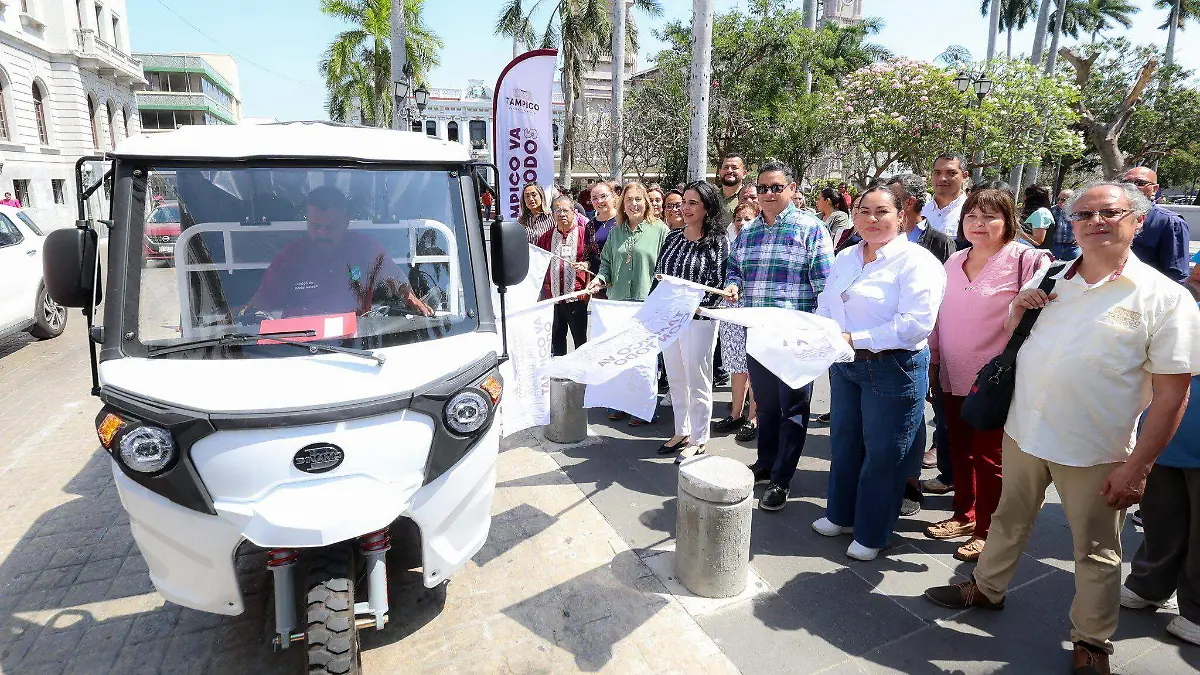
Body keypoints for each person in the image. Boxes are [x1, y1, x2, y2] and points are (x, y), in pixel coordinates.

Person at [923, 181, 1200, 675]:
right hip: (1024, 430)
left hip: (1096, 449)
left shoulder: (1166, 299)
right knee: (1008, 518)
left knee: (1096, 550)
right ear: (1071, 224)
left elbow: (1172, 395)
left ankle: (1092, 639)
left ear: (1137, 220)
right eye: (1084, 215)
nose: (1096, 222)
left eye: (1109, 213)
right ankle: (986, 588)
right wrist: (1015, 313)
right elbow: (1018, 342)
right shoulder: (1053, 277)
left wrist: (1139, 466)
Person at [811, 184, 946, 561]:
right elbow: (827, 301)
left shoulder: (917, 262)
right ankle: (840, 514)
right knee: (844, 441)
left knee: (885, 453)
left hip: (893, 367)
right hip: (845, 363)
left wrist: (857, 336)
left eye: (882, 211)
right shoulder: (847, 257)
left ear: (902, 215)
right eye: (864, 210)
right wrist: (823, 331)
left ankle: (872, 531)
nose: (872, 219)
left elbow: (916, 324)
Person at [925, 188, 1049, 562]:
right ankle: (964, 515)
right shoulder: (953, 261)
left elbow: (1051, 279)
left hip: (996, 380)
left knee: (989, 456)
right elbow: (937, 316)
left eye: (989, 217)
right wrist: (933, 357)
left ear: (1008, 221)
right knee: (958, 450)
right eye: (972, 217)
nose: (979, 225)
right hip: (951, 372)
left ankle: (987, 529)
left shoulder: (1024, 259)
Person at [723, 160, 833, 511]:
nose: (768, 194)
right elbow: (735, 269)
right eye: (763, 188)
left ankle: (783, 479)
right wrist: (732, 285)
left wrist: (814, 334)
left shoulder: (810, 229)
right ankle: (765, 464)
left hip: (794, 338)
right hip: (759, 335)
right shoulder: (749, 230)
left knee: (794, 410)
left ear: (792, 188)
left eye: (776, 187)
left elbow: (825, 287)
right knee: (767, 406)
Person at [1119, 283, 1200, 647]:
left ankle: (1196, 611)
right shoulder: (1180, 302)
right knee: (1159, 516)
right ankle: (1149, 584)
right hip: (1165, 433)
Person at [245, 186, 433, 319]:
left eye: (330, 227)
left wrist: (412, 300)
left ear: (346, 222)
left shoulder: (367, 249)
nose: (322, 233)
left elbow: (396, 281)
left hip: (356, 340)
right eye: (315, 226)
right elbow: (262, 303)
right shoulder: (290, 256)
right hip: (297, 345)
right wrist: (240, 319)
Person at [886, 173, 957, 516]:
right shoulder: (870, 239)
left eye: (890, 200)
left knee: (914, 417)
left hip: (921, 344)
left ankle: (910, 484)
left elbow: (944, 297)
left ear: (907, 204)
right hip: (876, 345)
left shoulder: (938, 241)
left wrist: (937, 347)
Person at [654, 181, 729, 463]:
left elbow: (719, 284)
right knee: (675, 377)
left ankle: (699, 438)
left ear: (707, 208)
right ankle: (681, 430)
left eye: (692, 203)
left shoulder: (718, 242)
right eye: (683, 202)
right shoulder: (672, 238)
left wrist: (691, 306)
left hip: (699, 321)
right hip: (670, 320)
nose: (684, 208)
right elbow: (659, 277)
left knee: (698, 378)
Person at [586, 182, 671, 424]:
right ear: (622, 204)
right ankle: (620, 403)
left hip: (647, 304)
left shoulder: (660, 231)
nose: (634, 204)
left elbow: (665, 268)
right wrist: (600, 279)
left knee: (643, 359)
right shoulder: (616, 232)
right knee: (620, 356)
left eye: (638, 199)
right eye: (629, 199)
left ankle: (643, 407)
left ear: (646, 202)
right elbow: (606, 264)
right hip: (619, 304)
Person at [712, 202, 759, 442]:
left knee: (754, 366)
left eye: (747, 218)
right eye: (738, 218)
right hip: (732, 307)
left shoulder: (761, 242)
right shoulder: (731, 241)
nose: (742, 223)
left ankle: (753, 417)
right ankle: (736, 413)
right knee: (736, 364)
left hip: (754, 309)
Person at [538, 195, 594, 356]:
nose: (561, 213)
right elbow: (540, 266)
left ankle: (581, 375)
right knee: (557, 339)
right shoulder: (546, 237)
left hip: (577, 298)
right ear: (553, 213)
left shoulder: (584, 234)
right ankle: (559, 375)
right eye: (557, 210)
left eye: (565, 210)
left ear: (574, 212)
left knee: (580, 341)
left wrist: (587, 292)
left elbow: (592, 261)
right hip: (554, 299)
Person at [1124, 166, 1190, 281]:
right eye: (1126, 182)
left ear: (1155, 189)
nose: (1131, 187)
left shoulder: (1171, 222)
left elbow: (1177, 274)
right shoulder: (1110, 216)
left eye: (1139, 183)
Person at [922, 153, 969, 239]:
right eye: (937, 173)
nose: (942, 178)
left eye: (951, 173)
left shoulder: (972, 212)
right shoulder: (921, 211)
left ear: (964, 176)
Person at [586, 181, 620, 283]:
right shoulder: (590, 225)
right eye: (595, 198)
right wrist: (585, 264)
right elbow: (589, 256)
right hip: (598, 282)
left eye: (603, 196)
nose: (599, 201)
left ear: (613, 197)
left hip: (621, 280)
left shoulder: (624, 220)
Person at [1048, 188, 1080, 261]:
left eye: (1063, 200)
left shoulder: (1079, 212)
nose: (1059, 201)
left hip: (1072, 248)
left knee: (1072, 269)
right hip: (1054, 247)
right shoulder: (1052, 210)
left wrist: (1079, 239)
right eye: (1058, 199)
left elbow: (1084, 226)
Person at [716, 155, 748, 226]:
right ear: (720, 172)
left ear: (744, 173)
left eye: (734, 168)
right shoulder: (711, 198)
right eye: (726, 167)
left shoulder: (751, 198)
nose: (729, 170)